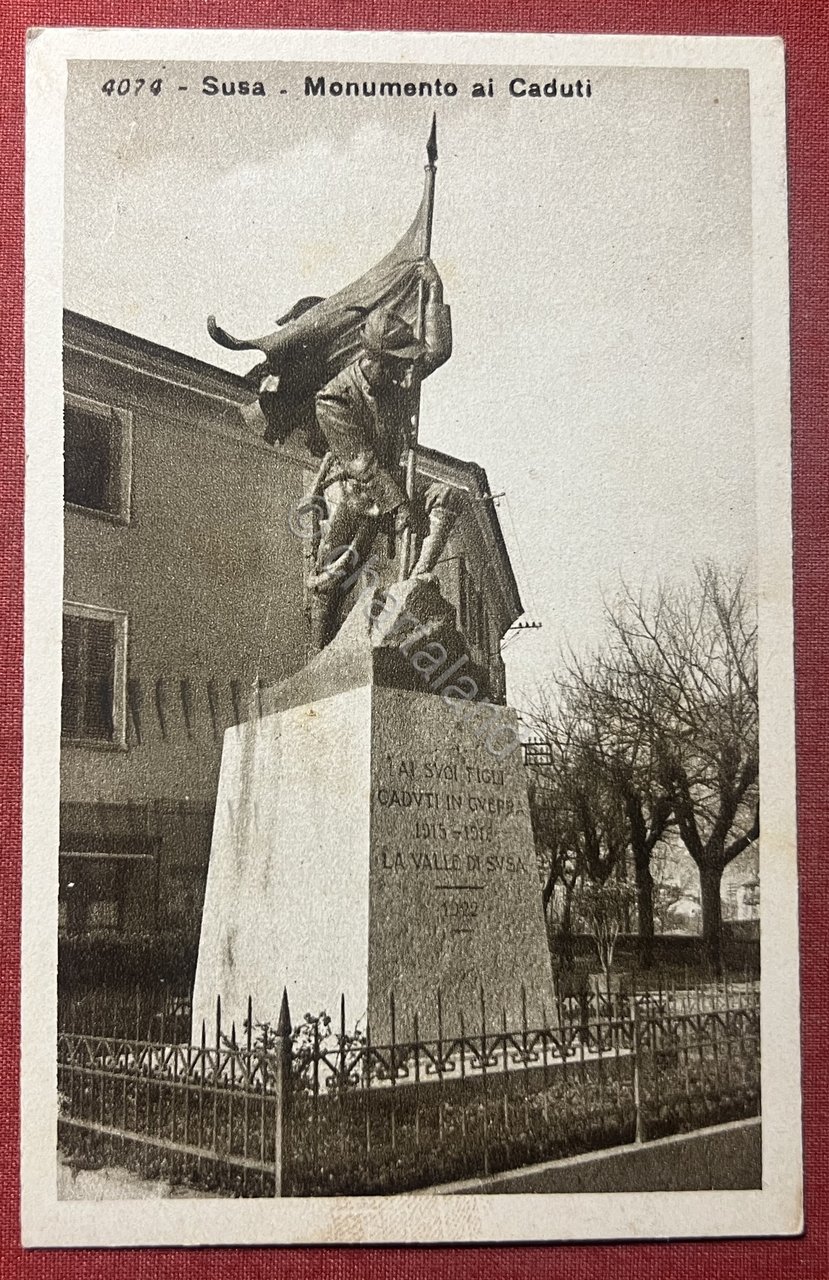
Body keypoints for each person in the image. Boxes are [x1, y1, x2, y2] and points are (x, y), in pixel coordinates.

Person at [307, 260, 462, 649]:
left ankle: (413, 584)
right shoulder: (333, 398)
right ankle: (319, 652)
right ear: (375, 359)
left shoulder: (396, 380)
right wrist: (400, 507)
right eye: (396, 364)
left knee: (446, 496)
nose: (404, 372)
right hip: (354, 492)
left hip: (392, 485)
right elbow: (361, 463)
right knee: (334, 580)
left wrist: (436, 294)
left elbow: (436, 353)